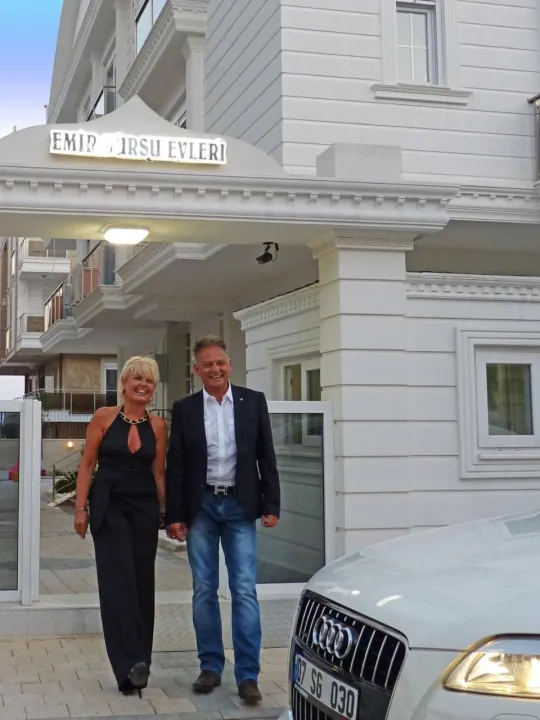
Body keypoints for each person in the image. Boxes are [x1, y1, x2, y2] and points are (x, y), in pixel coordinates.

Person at [166, 334, 281, 705]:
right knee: (204, 588)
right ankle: (210, 667)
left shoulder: (252, 401)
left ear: (229, 365)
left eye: (220, 363)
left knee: (244, 589)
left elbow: (266, 455)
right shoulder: (185, 408)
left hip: (239, 506)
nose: (214, 369)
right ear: (197, 370)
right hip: (200, 507)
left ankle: (248, 675)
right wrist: (175, 514)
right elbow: (176, 465)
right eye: (207, 365)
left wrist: (271, 504)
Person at [73, 356, 168, 697]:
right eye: (138, 378)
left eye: (150, 381)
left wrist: (170, 515)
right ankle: (126, 664)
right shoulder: (103, 417)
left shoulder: (158, 426)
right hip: (108, 504)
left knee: (142, 582)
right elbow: (87, 464)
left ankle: (141, 662)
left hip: (144, 507)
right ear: (124, 383)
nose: (144, 385)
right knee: (117, 583)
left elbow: (159, 473)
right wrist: (80, 508)